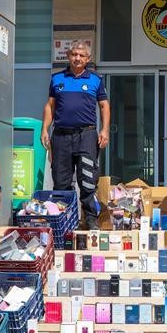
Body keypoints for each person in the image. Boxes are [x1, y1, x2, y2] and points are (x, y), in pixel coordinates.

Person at [41, 40, 110, 225]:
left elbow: (104, 106)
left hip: (86, 136)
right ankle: (63, 222)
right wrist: (44, 129)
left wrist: (104, 130)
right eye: (74, 54)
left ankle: (91, 221)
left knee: (87, 181)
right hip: (61, 136)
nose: (77, 58)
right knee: (61, 183)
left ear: (88, 59)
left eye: (81, 55)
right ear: (68, 56)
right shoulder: (57, 78)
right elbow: (50, 106)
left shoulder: (96, 79)